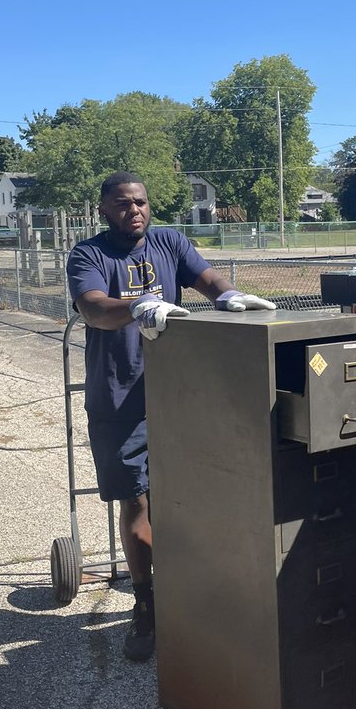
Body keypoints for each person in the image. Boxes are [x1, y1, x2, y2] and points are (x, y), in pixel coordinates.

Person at [66, 172, 276, 661]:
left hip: (180, 394)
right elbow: (94, 308)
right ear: (103, 208)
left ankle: (196, 590)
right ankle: (146, 602)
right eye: (122, 204)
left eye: (140, 202)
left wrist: (226, 295)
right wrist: (139, 306)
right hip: (119, 399)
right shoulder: (89, 254)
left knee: (195, 494)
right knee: (136, 501)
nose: (133, 210)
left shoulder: (169, 241)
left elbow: (205, 275)